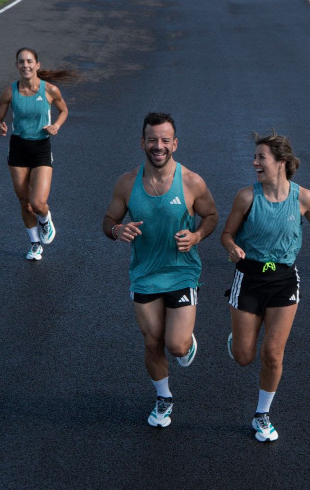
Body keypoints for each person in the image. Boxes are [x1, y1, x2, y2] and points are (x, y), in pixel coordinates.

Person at [102, 112, 218, 428]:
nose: (158, 145)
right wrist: (117, 232)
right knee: (152, 341)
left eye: (165, 140)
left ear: (175, 144)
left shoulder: (192, 181)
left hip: (182, 271)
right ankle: (163, 397)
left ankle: (186, 343)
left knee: (176, 345)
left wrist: (196, 235)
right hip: (145, 274)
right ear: (143, 142)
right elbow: (108, 222)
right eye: (152, 139)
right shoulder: (127, 183)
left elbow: (211, 216)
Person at [221, 132, 310, 442]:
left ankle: (262, 415)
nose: (255, 162)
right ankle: (238, 339)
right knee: (244, 356)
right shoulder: (247, 197)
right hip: (248, 279)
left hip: (284, 280)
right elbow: (227, 234)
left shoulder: (303, 198)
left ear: (281, 163)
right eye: (256, 157)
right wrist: (231, 248)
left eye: (261, 157)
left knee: (272, 354)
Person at [0, 47, 74, 261]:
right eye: (21, 62)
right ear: (17, 66)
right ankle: (35, 244)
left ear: (37, 65)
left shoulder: (50, 90)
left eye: (29, 61)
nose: (25, 65)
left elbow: (64, 110)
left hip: (41, 149)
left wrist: (56, 125)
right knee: (24, 202)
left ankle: (45, 220)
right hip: (18, 148)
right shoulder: (9, 92)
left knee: (38, 203)